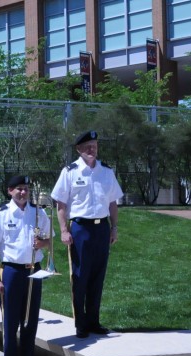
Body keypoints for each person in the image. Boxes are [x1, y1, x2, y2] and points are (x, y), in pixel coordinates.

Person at [51, 130, 123, 339]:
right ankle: (80, 323)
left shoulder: (106, 172)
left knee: (97, 276)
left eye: (95, 145)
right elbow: (61, 204)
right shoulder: (70, 172)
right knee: (80, 276)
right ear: (79, 149)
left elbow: (112, 202)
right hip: (80, 229)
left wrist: (114, 227)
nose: (93, 149)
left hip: (101, 228)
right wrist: (64, 230)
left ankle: (94, 321)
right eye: (88, 146)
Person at [0, 175, 51, 356]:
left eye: (26, 189)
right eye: (19, 189)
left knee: (30, 324)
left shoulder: (38, 212)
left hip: (34, 271)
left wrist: (42, 243)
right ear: (10, 191)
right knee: (11, 324)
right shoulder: (1, 214)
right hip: (12, 271)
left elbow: (50, 242)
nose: (23, 192)